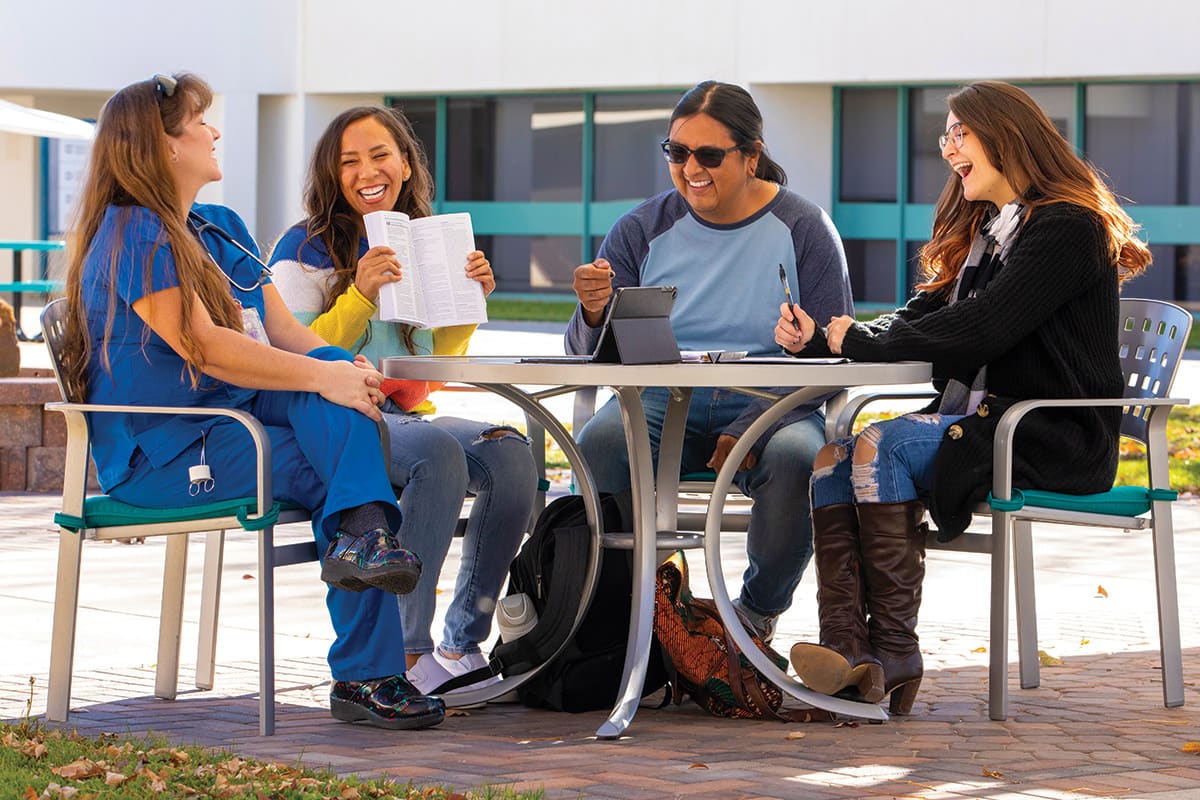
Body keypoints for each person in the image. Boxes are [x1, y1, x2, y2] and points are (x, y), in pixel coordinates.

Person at [60, 73, 447, 731]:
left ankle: (364, 542)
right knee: (342, 457)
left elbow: (289, 336)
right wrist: (324, 380)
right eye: (199, 123)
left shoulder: (220, 226)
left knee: (327, 372)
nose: (214, 132)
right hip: (171, 448)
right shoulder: (132, 234)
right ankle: (369, 669)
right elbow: (206, 348)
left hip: (241, 417)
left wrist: (339, 370)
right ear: (164, 146)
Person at [777, 80, 1151, 714]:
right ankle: (849, 650)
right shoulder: (990, 233)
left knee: (877, 445)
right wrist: (825, 338)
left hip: (1048, 436)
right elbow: (922, 316)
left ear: (1005, 135)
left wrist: (862, 345)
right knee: (831, 458)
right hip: (986, 421)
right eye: (944, 134)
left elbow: (986, 327)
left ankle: (893, 651)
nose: (947, 147)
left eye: (959, 132)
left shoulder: (1065, 227)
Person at [565, 80, 854, 641]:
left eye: (709, 155)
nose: (690, 167)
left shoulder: (805, 228)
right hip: (659, 397)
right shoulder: (640, 229)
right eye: (677, 152)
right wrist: (593, 312)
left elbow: (831, 356)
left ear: (751, 155)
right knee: (600, 443)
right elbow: (583, 355)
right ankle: (629, 608)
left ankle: (751, 620)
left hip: (776, 401)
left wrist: (750, 426)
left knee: (797, 458)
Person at [269, 105, 538, 693]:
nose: (368, 171)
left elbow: (432, 368)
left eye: (380, 155)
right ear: (330, 175)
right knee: (434, 451)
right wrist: (360, 293)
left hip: (402, 411)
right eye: (349, 161)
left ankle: (460, 647)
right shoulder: (301, 249)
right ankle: (405, 656)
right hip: (338, 419)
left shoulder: (423, 240)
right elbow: (297, 359)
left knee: (510, 451)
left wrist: (467, 303)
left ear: (407, 164)